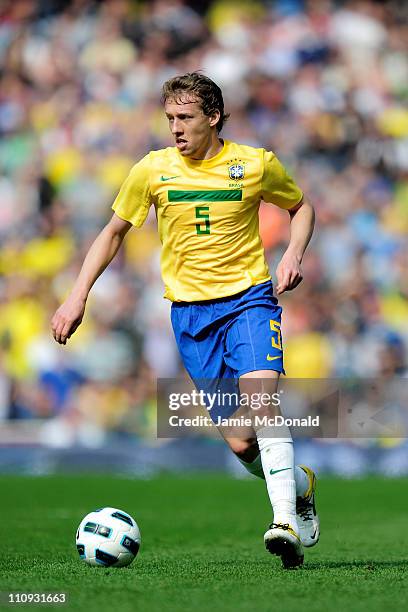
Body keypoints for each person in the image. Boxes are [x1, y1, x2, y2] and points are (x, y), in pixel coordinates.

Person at [51, 72, 318, 569]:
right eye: (170, 118)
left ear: (213, 117)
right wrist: (76, 296)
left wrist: (292, 254)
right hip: (191, 318)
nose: (175, 128)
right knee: (241, 443)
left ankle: (283, 520)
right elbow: (113, 234)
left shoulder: (254, 164)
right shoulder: (152, 171)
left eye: (185, 118)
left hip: (249, 301)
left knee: (263, 401)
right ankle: (300, 486)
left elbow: (301, 207)